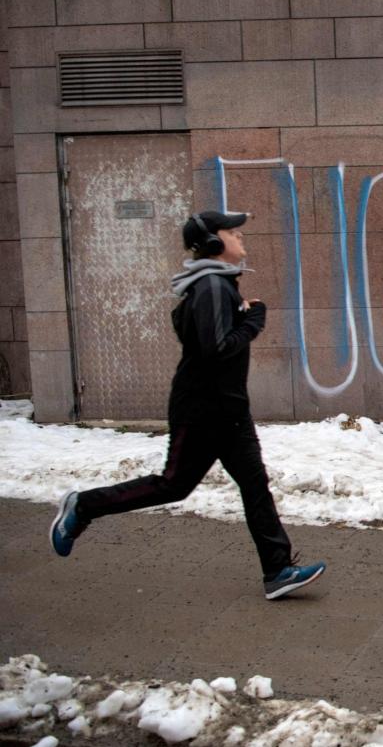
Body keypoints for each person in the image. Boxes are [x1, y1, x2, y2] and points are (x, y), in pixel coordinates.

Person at [49, 210, 325, 600]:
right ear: (212, 243)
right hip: (203, 411)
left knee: (255, 485)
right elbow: (216, 349)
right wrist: (255, 320)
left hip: (229, 410)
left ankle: (278, 570)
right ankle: (83, 506)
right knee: (173, 486)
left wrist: (244, 315)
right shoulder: (212, 285)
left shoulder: (217, 284)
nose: (240, 237)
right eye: (231, 231)